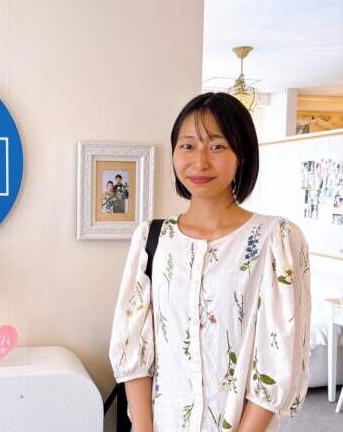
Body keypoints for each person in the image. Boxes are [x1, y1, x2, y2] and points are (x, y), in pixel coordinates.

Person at [109, 92, 311, 432]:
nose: (200, 161)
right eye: (187, 146)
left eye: (217, 146)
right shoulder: (151, 239)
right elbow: (134, 348)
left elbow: (279, 357)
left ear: (241, 154)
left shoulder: (276, 239)